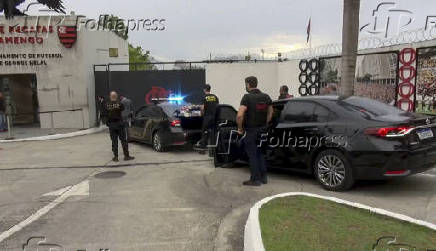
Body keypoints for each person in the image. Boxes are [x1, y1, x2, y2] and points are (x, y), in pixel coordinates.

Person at [237, 76, 273, 186]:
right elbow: (271, 112)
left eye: (246, 84)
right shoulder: (266, 97)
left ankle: (255, 179)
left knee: (252, 155)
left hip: (251, 130)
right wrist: (265, 124)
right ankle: (263, 178)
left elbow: (239, 115)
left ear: (248, 84)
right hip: (262, 130)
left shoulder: (247, 97)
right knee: (260, 154)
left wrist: (240, 128)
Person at [104, 91, 134, 162]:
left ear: (110, 96)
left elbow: (105, 114)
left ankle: (116, 157)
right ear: (116, 96)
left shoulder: (106, 105)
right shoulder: (120, 104)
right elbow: (122, 109)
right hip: (120, 124)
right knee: (123, 141)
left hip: (112, 125)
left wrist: (108, 123)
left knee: (114, 141)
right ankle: (126, 156)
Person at [194, 84, 219, 150]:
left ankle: (203, 146)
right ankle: (214, 146)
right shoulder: (215, 97)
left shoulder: (204, 97)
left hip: (207, 117)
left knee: (204, 130)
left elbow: (202, 108)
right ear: (209, 89)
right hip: (214, 117)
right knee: (213, 131)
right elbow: (218, 107)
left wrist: (202, 114)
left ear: (204, 89)